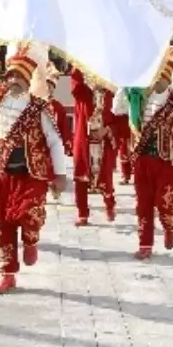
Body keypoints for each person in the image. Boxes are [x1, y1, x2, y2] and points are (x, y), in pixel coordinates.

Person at [0, 43, 67, 294]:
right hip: (3, 172)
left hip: (31, 174)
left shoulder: (39, 107)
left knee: (28, 215)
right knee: (3, 223)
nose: (14, 80)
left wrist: (61, 175)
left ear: (29, 79)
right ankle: (7, 274)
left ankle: (30, 240)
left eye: (20, 76)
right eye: (11, 75)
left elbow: (55, 141)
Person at [112, 47, 173, 260]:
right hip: (143, 159)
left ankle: (169, 228)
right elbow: (116, 109)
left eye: (161, 74)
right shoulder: (139, 99)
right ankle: (145, 244)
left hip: (167, 163)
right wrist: (124, 85)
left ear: (169, 76)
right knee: (143, 203)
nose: (157, 79)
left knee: (165, 203)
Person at [69, 65, 118, 226]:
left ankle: (109, 205)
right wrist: (80, 59)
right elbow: (75, 83)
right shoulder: (83, 94)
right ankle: (82, 213)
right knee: (81, 176)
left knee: (106, 176)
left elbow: (119, 118)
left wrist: (107, 129)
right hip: (84, 140)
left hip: (104, 141)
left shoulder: (112, 94)